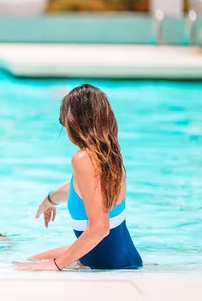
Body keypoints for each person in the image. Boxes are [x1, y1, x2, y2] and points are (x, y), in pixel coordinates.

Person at [18, 84, 142, 271]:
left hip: (107, 265)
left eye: (62, 120)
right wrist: (50, 200)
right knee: (29, 259)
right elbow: (82, 191)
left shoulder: (83, 159)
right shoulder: (109, 155)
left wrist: (56, 265)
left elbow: (100, 228)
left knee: (24, 266)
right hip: (119, 257)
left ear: (74, 122)